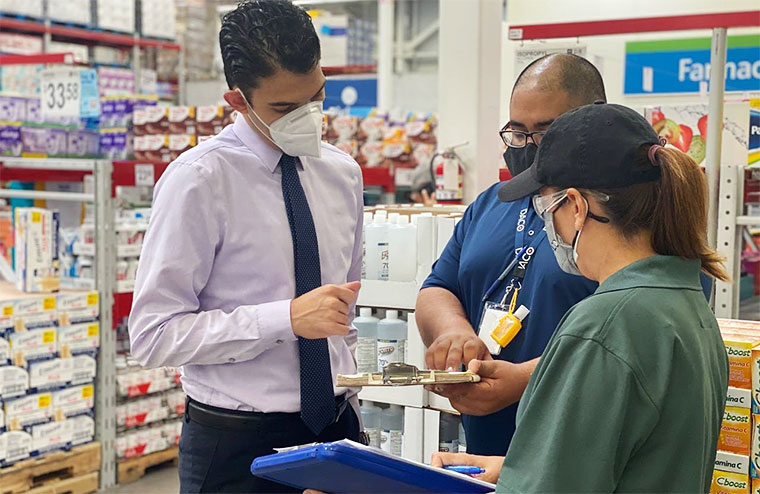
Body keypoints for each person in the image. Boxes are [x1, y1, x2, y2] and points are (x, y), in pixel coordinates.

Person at [128, 1, 364, 492]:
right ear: (237, 100)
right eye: (284, 107)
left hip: (337, 433)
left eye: (315, 98)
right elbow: (153, 336)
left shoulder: (342, 173)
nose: (306, 117)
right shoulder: (199, 182)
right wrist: (286, 319)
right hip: (238, 447)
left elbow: (343, 314)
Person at [432, 102, 729, 492]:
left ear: (575, 207)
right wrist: (515, 467)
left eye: (546, 209)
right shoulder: (682, 303)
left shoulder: (602, 325)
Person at [416, 53, 602, 456]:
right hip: (487, 453)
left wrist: (523, 380)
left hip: (578, 456)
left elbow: (629, 339)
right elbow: (438, 288)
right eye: (518, 133)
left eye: (546, 132)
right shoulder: (492, 204)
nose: (530, 147)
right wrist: (454, 333)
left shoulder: (621, 217)